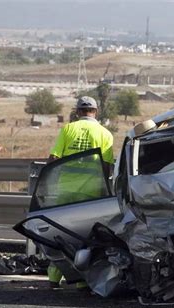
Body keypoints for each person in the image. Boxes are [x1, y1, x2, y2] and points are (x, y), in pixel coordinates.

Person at [47, 96, 114, 289]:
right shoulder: (105, 134)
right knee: (85, 237)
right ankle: (82, 282)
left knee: (59, 234)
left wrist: (46, 180)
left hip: (65, 191)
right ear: (96, 111)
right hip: (90, 194)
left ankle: (54, 277)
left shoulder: (68, 129)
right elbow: (107, 167)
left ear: (77, 112)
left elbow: (54, 157)